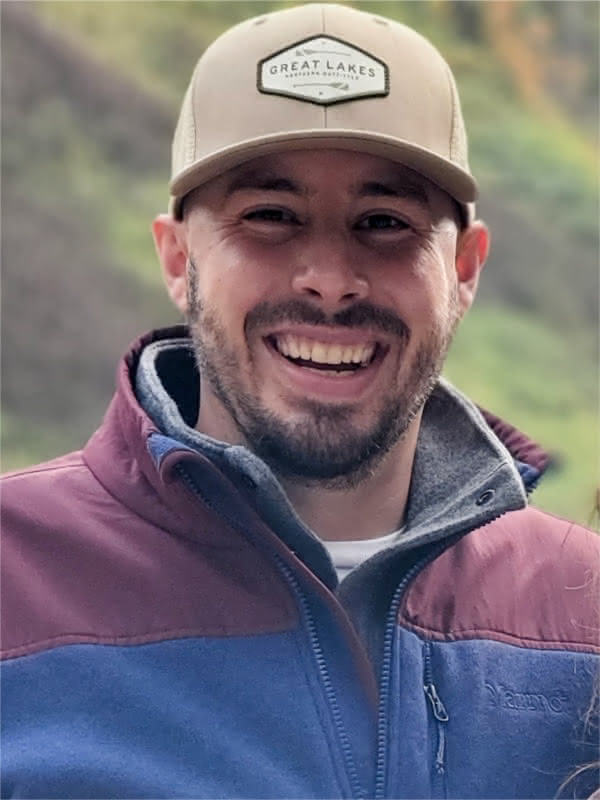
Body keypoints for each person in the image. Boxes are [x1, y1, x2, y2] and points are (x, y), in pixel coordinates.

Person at [2, 4, 598, 798]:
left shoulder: (583, 610)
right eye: (270, 217)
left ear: (463, 270)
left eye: (385, 222)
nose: (329, 277)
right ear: (179, 258)